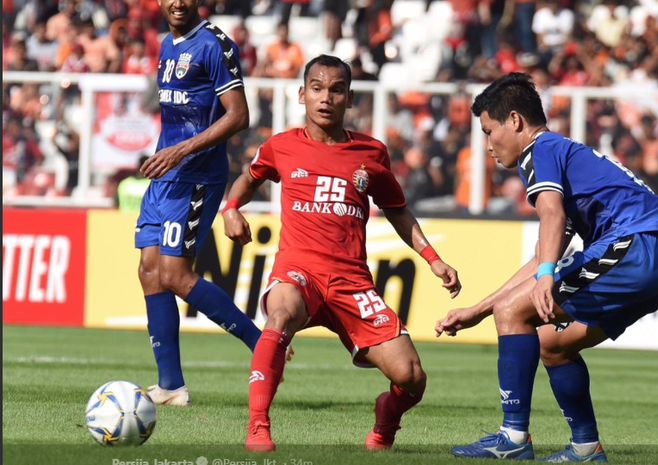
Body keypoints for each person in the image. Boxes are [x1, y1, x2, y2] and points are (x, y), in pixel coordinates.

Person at [435, 72, 658, 462]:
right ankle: (586, 447)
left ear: (515, 121)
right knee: (552, 344)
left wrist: (547, 277)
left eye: (489, 130)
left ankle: (513, 436)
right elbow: (543, 254)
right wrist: (477, 311)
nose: (487, 145)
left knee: (514, 312)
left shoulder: (540, 150)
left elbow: (549, 217)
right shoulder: (567, 155)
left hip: (635, 246)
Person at [222, 54, 462, 452]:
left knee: (412, 377)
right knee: (279, 316)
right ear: (302, 94)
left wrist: (433, 258)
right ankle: (258, 427)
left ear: (349, 98)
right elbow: (248, 179)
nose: (326, 97)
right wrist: (231, 209)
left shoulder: (372, 153)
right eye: (317, 88)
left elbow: (397, 210)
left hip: (352, 281)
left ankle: (385, 422)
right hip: (300, 270)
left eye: (336, 90)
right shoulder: (280, 147)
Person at [135, 0, 261, 406]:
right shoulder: (166, 43)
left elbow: (239, 116)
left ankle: (262, 344)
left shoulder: (214, 44)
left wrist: (181, 151)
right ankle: (170, 386)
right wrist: (168, 154)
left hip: (195, 177)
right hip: (164, 174)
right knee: (149, 271)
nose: (177, 2)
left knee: (174, 274)